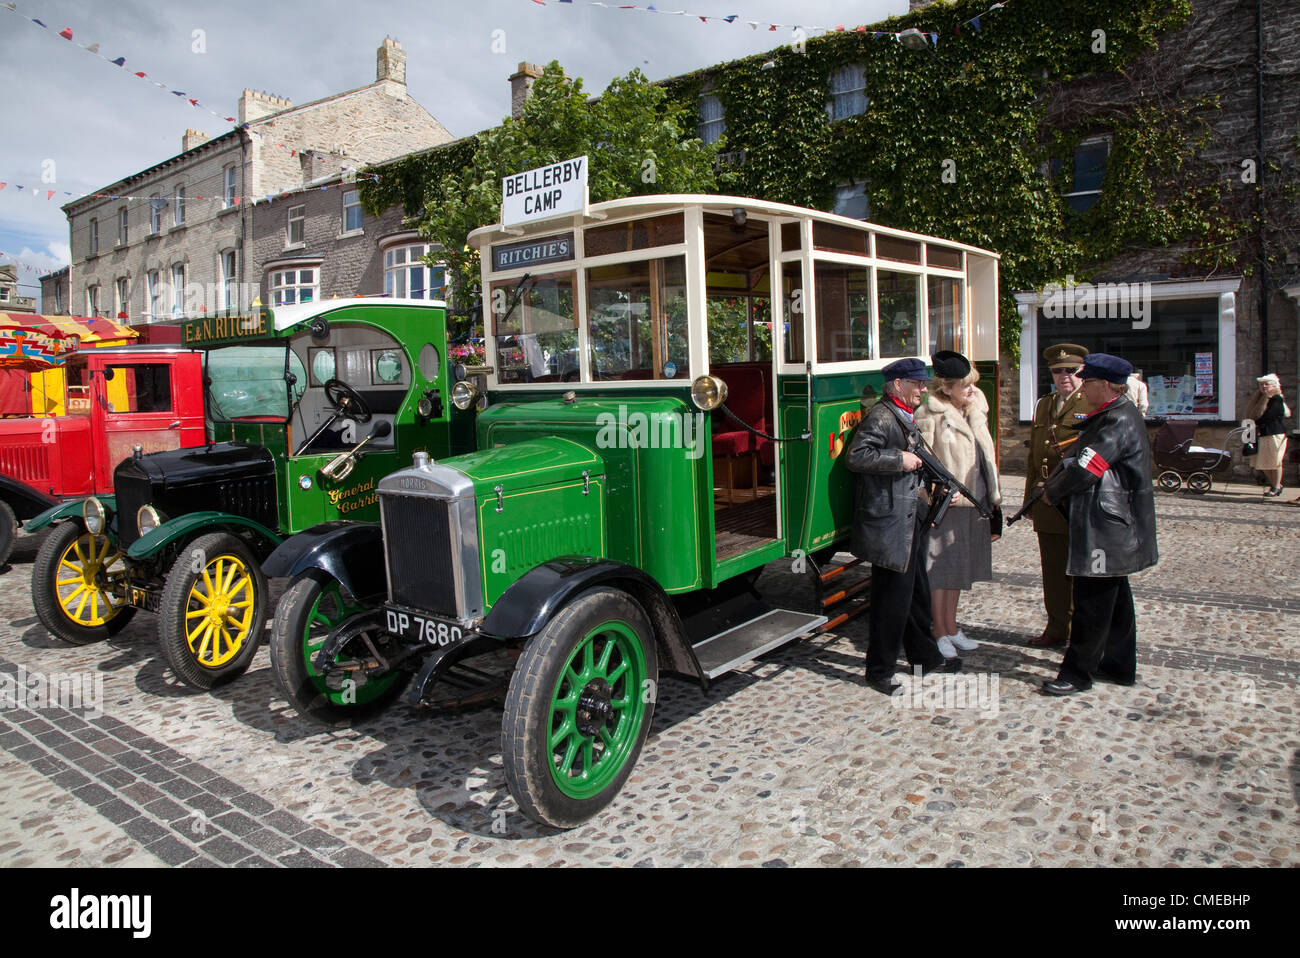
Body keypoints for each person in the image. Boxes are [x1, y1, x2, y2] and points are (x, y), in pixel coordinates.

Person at [1040, 353, 1158, 695]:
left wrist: (1053, 491)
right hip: (1113, 522)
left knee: (1092, 601)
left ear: (1105, 385)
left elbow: (1088, 467)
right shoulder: (1113, 414)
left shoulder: (1116, 420)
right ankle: (1118, 665)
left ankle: (1077, 673)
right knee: (1115, 599)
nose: (1083, 386)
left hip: (1106, 526)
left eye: (1088, 381)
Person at [846, 357, 960, 696]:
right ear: (898, 385)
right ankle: (879, 670)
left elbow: (920, 461)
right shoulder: (882, 416)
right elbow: (857, 456)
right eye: (917, 384)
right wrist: (900, 460)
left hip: (910, 516)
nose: (923, 390)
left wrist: (939, 484)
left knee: (916, 593)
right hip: (891, 522)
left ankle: (924, 656)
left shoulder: (902, 415)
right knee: (891, 600)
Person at [915, 350, 1002, 658]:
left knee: (959, 569)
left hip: (974, 500)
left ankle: (951, 627)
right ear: (946, 387)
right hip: (948, 504)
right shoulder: (930, 415)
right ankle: (937, 630)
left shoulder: (975, 408)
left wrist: (993, 498)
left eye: (972, 384)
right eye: (964, 385)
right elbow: (923, 458)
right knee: (940, 570)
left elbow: (985, 456)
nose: (971, 389)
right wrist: (936, 490)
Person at [1024, 343, 1092, 649]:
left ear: (1081, 372)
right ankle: (1056, 627)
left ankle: (1081, 630)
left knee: (1079, 570)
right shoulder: (1044, 404)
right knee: (1052, 569)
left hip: (1076, 499)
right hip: (1047, 500)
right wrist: (1029, 499)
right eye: (1057, 371)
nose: (1063, 376)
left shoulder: (1090, 402)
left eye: (1070, 370)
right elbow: (1034, 455)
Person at [1244, 373, 1290, 497]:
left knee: (1275, 462)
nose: (1264, 386)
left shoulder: (1276, 398)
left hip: (1274, 433)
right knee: (1263, 463)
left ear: (1274, 385)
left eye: (1266, 384)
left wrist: (1256, 423)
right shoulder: (1260, 398)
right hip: (1262, 433)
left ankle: (1275, 486)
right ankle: (1277, 485)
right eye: (1261, 384)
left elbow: (1271, 415)